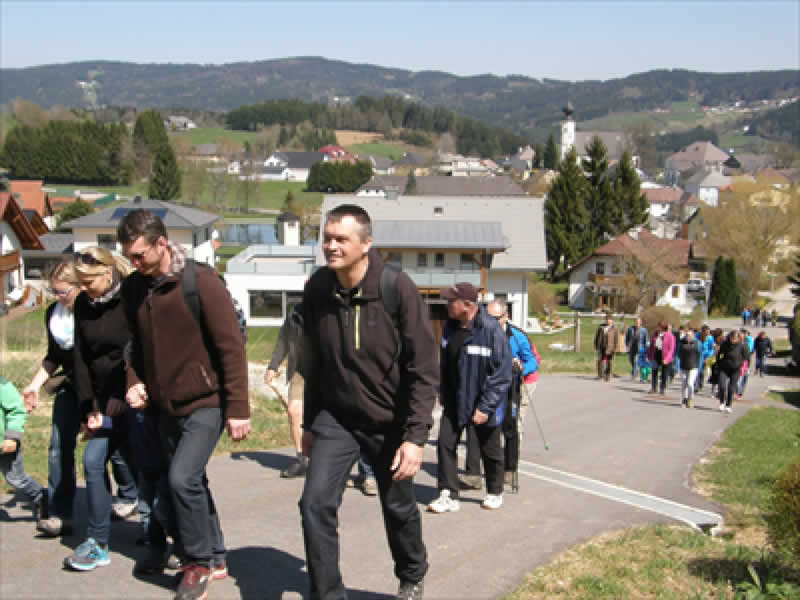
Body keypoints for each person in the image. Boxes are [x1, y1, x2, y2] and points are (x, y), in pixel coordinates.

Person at [297, 204, 437, 600]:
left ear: (366, 244)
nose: (331, 246)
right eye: (327, 238)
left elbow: (423, 368)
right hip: (336, 418)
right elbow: (313, 362)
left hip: (389, 421)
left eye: (341, 239)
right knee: (314, 504)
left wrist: (415, 436)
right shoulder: (317, 288)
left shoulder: (396, 289)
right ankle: (327, 593)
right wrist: (309, 423)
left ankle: (412, 574)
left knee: (397, 508)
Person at [118, 209, 250, 600]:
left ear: (162, 243)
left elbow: (231, 348)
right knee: (191, 481)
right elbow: (132, 349)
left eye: (140, 255)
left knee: (181, 479)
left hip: (206, 402)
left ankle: (195, 564)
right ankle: (217, 554)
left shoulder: (199, 282)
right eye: (129, 256)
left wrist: (238, 407)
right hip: (162, 406)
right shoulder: (133, 289)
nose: (134, 263)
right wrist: (133, 381)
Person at [63, 247, 135, 572]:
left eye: (90, 281)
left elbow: (140, 348)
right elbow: (80, 357)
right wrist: (88, 407)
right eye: (80, 282)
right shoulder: (82, 304)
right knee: (92, 460)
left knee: (147, 468)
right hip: (101, 399)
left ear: (108, 273)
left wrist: (126, 391)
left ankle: (164, 535)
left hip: (135, 396)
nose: (85, 288)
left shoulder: (131, 296)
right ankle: (97, 542)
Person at [429, 282, 512, 517]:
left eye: (450, 301)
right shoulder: (449, 327)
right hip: (455, 399)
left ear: (467, 305)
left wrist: (486, 407)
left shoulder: (490, 329)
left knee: (490, 449)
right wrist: (443, 390)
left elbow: (502, 374)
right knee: (445, 445)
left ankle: (495, 491)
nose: (446, 305)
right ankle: (448, 493)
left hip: (482, 401)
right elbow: (445, 362)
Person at [23, 262, 81, 536]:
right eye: (53, 291)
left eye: (62, 292)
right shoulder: (53, 315)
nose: (57, 297)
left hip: (101, 388)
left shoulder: (91, 313)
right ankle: (61, 513)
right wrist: (34, 386)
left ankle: (130, 500)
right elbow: (53, 357)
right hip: (69, 385)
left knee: (112, 453)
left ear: (79, 288)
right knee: (58, 447)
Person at [485, 299, 537, 485]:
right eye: (488, 317)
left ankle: (510, 467)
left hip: (510, 387)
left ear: (506, 317)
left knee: (510, 428)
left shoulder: (517, 336)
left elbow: (532, 361)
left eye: (496, 318)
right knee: (488, 428)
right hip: (488, 388)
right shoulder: (482, 334)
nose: (491, 322)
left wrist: (521, 366)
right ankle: (488, 467)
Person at [264, 302, 308, 478]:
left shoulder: (330, 309)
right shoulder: (295, 313)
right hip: (299, 370)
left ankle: (325, 460)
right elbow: (283, 340)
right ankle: (301, 459)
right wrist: (273, 366)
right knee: (293, 411)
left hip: (326, 372)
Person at [0, 377, 45, 518]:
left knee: (15, 478)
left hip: (6, 444)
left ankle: (41, 497)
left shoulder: (2, 385)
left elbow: (17, 410)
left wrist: (12, 437)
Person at [716, 330, 748, 413]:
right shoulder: (725, 344)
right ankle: (722, 402)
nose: (733, 340)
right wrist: (719, 363)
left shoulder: (742, 346)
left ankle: (728, 405)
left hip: (735, 369)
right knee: (722, 386)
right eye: (731, 338)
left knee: (731, 387)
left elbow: (746, 357)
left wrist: (742, 365)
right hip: (724, 368)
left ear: (738, 338)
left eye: (735, 338)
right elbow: (719, 355)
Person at [646, 321, 675, 395]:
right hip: (656, 354)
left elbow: (671, 349)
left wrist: (667, 359)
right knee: (654, 371)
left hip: (665, 356)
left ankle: (663, 388)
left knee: (664, 373)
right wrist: (648, 355)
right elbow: (651, 346)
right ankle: (654, 387)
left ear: (663, 327)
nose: (657, 328)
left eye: (659, 327)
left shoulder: (670, 336)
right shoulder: (655, 334)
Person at [593, 312, 619, 382]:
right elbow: (597, 336)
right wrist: (596, 345)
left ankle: (607, 375)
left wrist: (615, 349)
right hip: (601, 346)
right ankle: (600, 375)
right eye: (607, 319)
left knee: (609, 362)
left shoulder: (615, 328)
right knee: (599, 361)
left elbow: (616, 339)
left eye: (609, 319)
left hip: (610, 348)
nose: (608, 321)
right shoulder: (601, 326)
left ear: (612, 320)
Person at [678, 329, 700, 408]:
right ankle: (684, 399)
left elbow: (700, 355)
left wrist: (699, 367)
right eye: (687, 335)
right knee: (684, 384)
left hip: (693, 366)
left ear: (693, 336)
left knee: (690, 383)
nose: (688, 337)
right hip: (683, 366)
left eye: (690, 335)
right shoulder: (681, 343)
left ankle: (690, 399)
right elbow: (678, 354)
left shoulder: (697, 343)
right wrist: (678, 365)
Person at [625, 317, 648, 381]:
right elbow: (627, 338)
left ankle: (633, 374)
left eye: (638, 322)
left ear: (640, 323)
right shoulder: (630, 329)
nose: (637, 323)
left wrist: (645, 348)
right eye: (636, 322)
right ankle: (635, 370)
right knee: (631, 360)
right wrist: (627, 346)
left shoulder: (644, 330)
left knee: (636, 361)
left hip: (639, 348)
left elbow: (646, 340)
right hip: (631, 347)